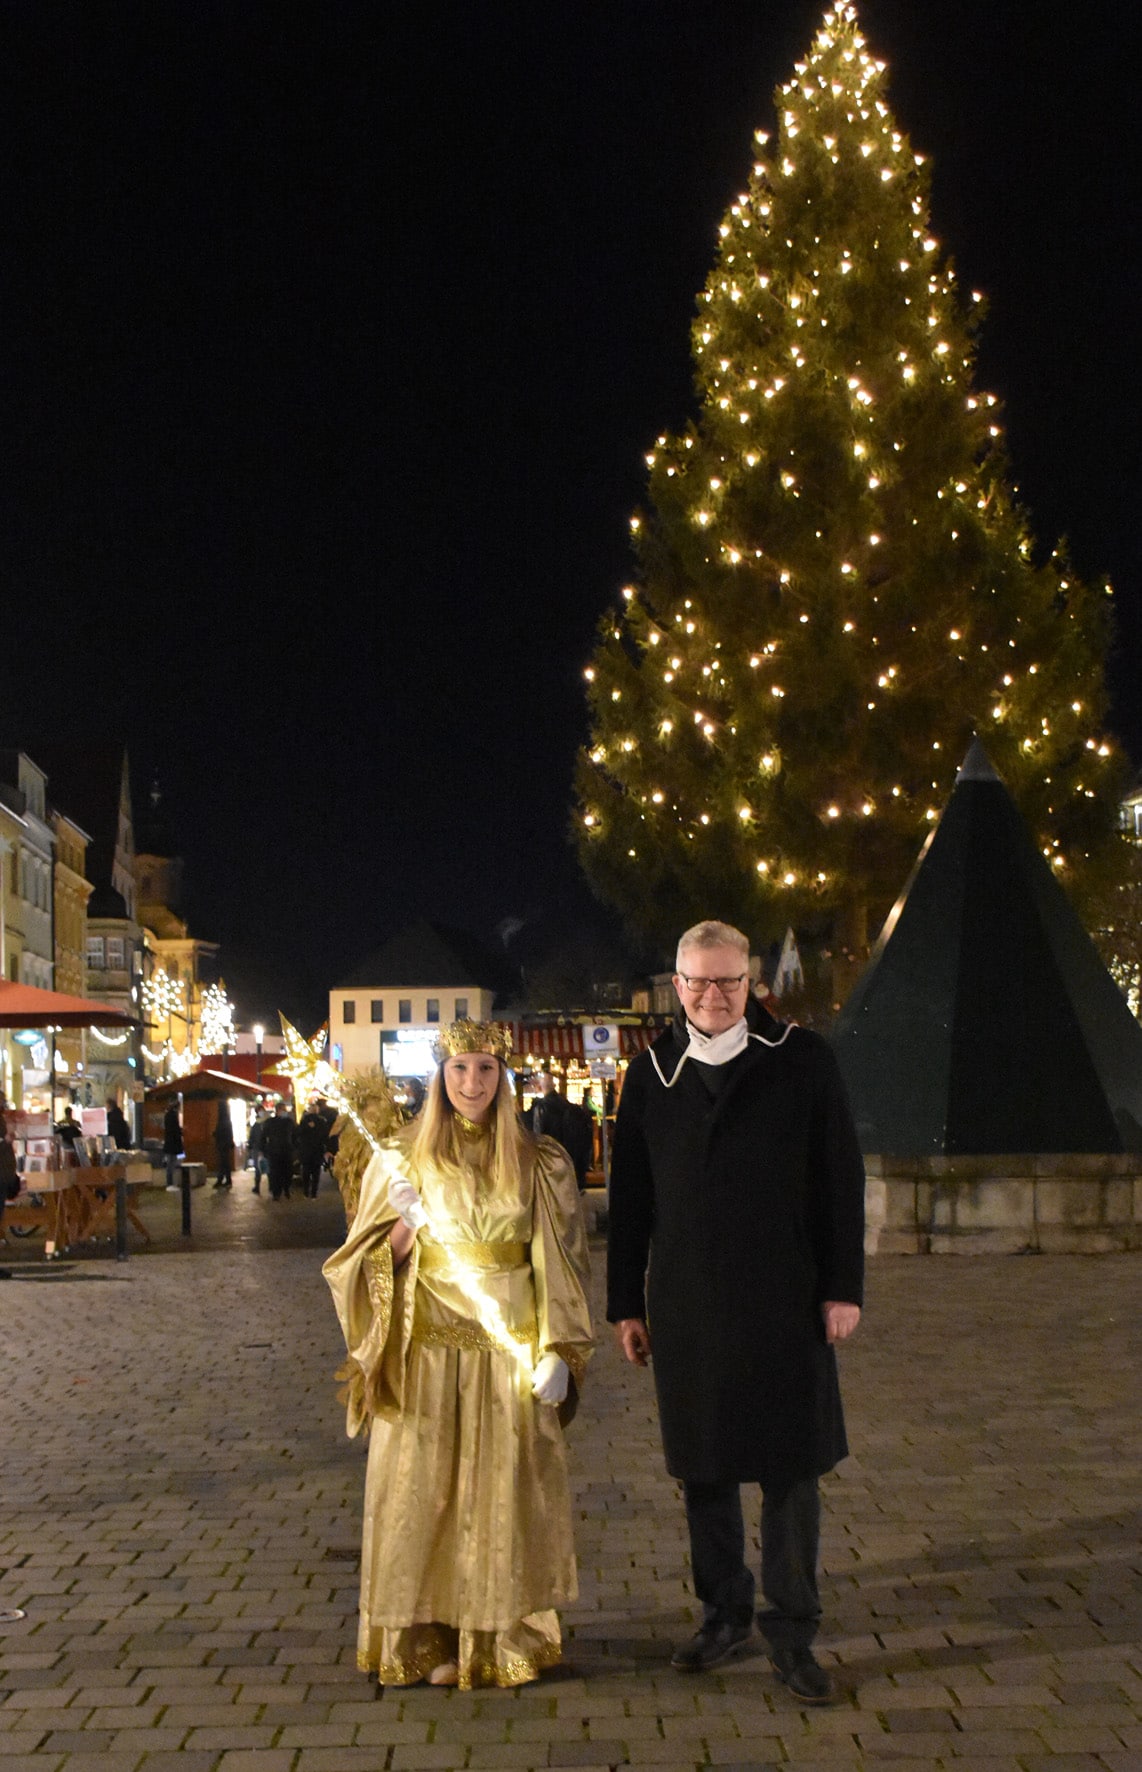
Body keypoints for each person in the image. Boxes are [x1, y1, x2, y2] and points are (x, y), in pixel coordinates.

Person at [608, 919, 864, 1704]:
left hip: (785, 1298)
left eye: (727, 982)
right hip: (687, 1302)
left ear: (751, 982)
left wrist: (843, 1287)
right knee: (705, 1470)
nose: (712, 997)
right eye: (696, 983)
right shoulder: (651, 1072)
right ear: (675, 985)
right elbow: (631, 1201)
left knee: (791, 1470)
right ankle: (723, 1612)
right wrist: (625, 1303)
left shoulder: (803, 1060)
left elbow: (839, 1180)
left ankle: (793, 1632)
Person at [323, 1017, 594, 1690]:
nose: (472, 1082)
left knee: (502, 1498)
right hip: (427, 1357)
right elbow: (350, 1265)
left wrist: (559, 1346)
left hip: (509, 1356)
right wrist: (397, 1245)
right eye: (459, 1070)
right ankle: (424, 1637)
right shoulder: (401, 1159)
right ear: (439, 1079)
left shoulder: (538, 1161)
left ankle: (501, 1636)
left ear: (503, 1080)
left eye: (485, 1070)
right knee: (426, 1499)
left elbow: (559, 1261)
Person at [525, 1073, 594, 1189]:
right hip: (567, 1155)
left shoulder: (541, 1108)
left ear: (539, 1087)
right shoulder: (567, 1105)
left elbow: (539, 1135)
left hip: (550, 1157)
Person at [262, 1102, 296, 1199]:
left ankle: (286, 1189)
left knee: (287, 1172)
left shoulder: (289, 1122)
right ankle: (276, 1192)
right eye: (283, 1110)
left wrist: (293, 1147)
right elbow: (264, 1136)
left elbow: (295, 1135)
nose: (284, 1112)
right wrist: (264, 1150)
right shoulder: (270, 1122)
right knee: (275, 1173)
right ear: (277, 1110)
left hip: (286, 1151)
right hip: (274, 1151)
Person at [296, 1100, 327, 1198]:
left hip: (306, 1150)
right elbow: (324, 1135)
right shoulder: (322, 1121)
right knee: (316, 1173)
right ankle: (313, 1193)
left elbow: (299, 1134)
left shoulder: (304, 1120)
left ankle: (306, 1191)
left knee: (306, 1172)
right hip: (317, 1150)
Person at [162, 1100, 184, 1190]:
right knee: (172, 1164)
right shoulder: (173, 1116)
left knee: (170, 1164)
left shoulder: (167, 1115)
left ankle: (170, 1184)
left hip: (169, 1145)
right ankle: (170, 1184)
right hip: (174, 1146)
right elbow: (176, 1132)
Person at [213, 1102, 235, 1190]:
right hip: (226, 1144)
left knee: (223, 1163)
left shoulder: (221, 1121)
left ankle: (222, 1179)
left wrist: (215, 1134)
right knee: (225, 1163)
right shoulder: (227, 1120)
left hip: (222, 1144)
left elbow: (220, 1132)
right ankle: (226, 1179)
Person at [246, 1108, 268, 1193]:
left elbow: (252, 1137)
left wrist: (250, 1147)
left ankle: (257, 1187)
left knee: (259, 1168)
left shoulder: (257, 1124)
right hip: (262, 1149)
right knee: (262, 1168)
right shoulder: (265, 1123)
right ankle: (261, 1187)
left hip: (258, 1149)